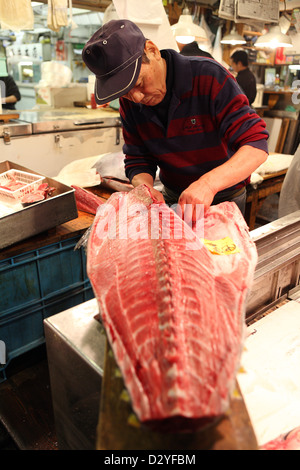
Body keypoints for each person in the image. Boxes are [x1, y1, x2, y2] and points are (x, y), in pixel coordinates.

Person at [83, 19, 268, 222]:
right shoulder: (130, 100)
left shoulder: (209, 76)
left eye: (140, 83)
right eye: (126, 92)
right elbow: (138, 157)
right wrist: (144, 188)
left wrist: (208, 184)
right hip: (172, 197)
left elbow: (255, 145)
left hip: (222, 197)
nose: (136, 98)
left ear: (152, 50)